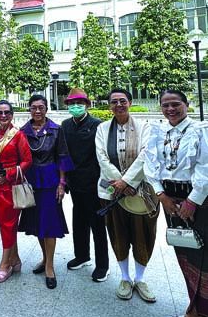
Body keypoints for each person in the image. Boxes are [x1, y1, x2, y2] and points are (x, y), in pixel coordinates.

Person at [144, 89, 208, 317]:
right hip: (170, 200)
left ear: (187, 104)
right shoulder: (159, 132)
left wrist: (193, 201)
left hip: (197, 200)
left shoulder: (200, 130)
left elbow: (205, 168)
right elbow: (151, 165)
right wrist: (161, 196)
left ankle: (197, 315)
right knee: (183, 253)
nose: (171, 109)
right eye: (165, 105)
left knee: (201, 256)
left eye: (176, 104)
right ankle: (195, 308)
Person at [95, 89, 157, 302]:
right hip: (112, 192)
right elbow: (102, 157)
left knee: (143, 234)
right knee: (117, 233)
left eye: (123, 101)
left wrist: (129, 181)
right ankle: (124, 277)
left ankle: (140, 279)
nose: (119, 105)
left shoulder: (144, 127)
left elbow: (145, 155)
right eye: (114, 102)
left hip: (141, 193)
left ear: (130, 102)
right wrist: (121, 184)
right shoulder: (102, 129)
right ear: (109, 105)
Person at [18, 94, 73, 289]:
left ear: (46, 108)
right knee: (37, 223)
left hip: (50, 180)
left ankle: (50, 266)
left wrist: (62, 183)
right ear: (29, 109)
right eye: (34, 107)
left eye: (41, 107)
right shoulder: (22, 132)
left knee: (49, 224)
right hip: (31, 181)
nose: (38, 111)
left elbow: (63, 157)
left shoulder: (56, 130)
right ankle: (44, 258)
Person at [61, 88, 109, 282]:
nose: (75, 107)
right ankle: (82, 255)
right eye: (72, 104)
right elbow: (63, 154)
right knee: (78, 220)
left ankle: (102, 265)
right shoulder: (65, 125)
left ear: (87, 105)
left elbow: (103, 156)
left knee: (97, 224)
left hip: (93, 182)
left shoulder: (98, 125)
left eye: (79, 103)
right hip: (74, 182)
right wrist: (63, 181)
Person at [0, 100, 32, 283]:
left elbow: (27, 161)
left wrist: (10, 174)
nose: (3, 116)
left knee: (9, 225)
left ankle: (5, 264)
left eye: (7, 113)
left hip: (10, 188)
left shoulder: (18, 136)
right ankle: (16, 260)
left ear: (12, 115)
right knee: (4, 225)